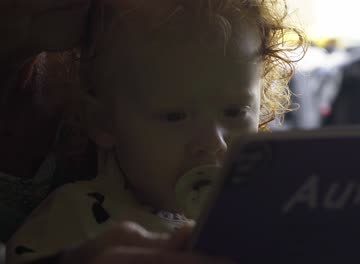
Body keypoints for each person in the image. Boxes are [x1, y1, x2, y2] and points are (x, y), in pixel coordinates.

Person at [2, 0, 304, 263]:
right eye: (174, 116)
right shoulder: (71, 224)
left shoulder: (266, 213)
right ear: (102, 121)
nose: (214, 143)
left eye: (235, 112)